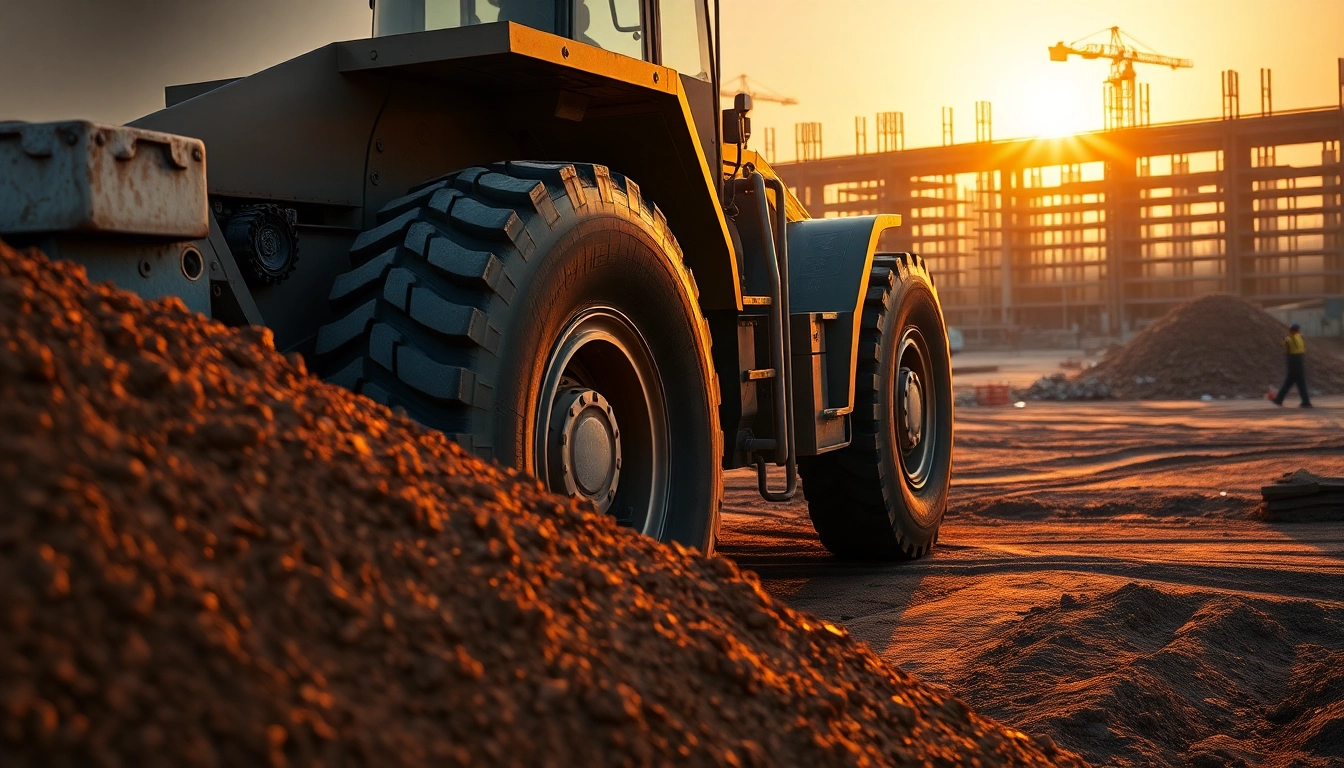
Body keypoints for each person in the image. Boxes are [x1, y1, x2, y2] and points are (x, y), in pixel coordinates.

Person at [1270, 322, 1313, 408]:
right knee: (1297, 382)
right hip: (1300, 361)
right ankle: (1305, 401)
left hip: (1292, 361)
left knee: (1292, 382)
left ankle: (1280, 399)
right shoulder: (1300, 338)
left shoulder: (1289, 339)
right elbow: (1303, 349)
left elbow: (1286, 348)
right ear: (1298, 330)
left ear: (1291, 330)